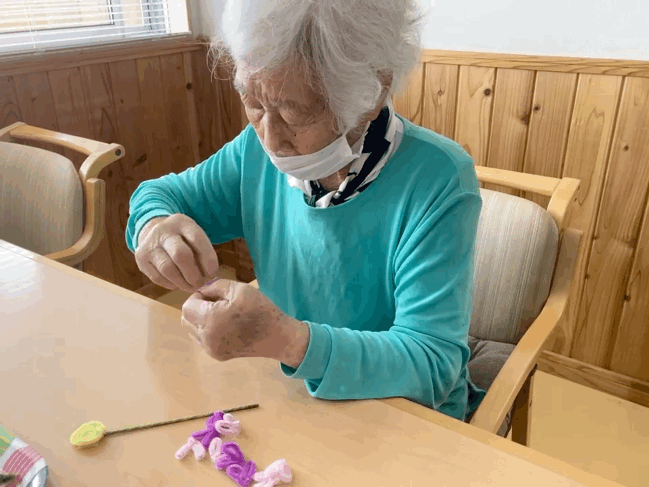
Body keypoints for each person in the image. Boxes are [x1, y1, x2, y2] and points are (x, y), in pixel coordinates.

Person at [126, 0, 484, 420]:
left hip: (406, 413)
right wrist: (153, 226)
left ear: (372, 92)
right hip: (295, 394)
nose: (270, 138)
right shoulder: (252, 152)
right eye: (253, 103)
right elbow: (160, 194)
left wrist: (288, 341)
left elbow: (431, 364)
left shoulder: (439, 178)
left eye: (292, 112)